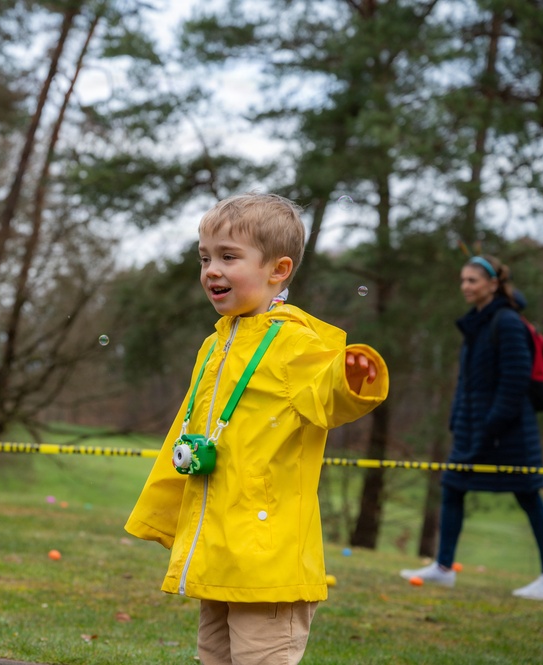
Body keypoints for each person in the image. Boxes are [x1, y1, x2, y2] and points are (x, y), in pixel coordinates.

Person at [124, 193, 389, 665]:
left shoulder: (293, 342)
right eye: (205, 257)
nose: (211, 270)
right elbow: (185, 433)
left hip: (268, 560)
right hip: (219, 551)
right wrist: (162, 511)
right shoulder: (216, 344)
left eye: (229, 256)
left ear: (278, 270)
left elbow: (327, 395)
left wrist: (349, 377)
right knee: (214, 657)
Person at [399, 254, 543, 600]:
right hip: (472, 428)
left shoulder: (508, 322)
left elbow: (514, 383)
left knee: (528, 496)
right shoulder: (476, 322)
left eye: (473, 280)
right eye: (463, 280)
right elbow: (468, 382)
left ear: (493, 284)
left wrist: (491, 427)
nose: (465, 286)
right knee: (452, 488)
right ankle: (443, 569)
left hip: (509, 432)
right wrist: (458, 419)